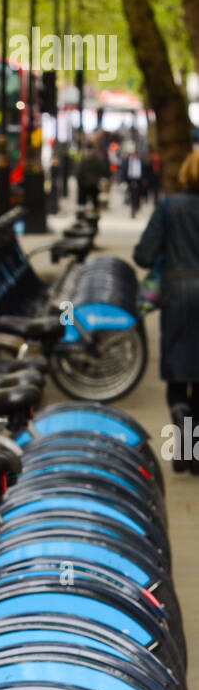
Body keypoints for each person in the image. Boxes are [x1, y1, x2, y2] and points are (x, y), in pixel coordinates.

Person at [134, 149, 199, 473]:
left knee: (178, 374)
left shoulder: (170, 207)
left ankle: (183, 444)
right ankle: (196, 456)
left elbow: (144, 255)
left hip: (177, 296)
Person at [75, 141, 103, 210]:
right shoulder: (97, 159)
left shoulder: (83, 159)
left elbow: (79, 172)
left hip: (84, 184)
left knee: (82, 203)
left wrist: (79, 181)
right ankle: (94, 217)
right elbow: (100, 170)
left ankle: (82, 216)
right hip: (94, 184)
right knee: (95, 202)